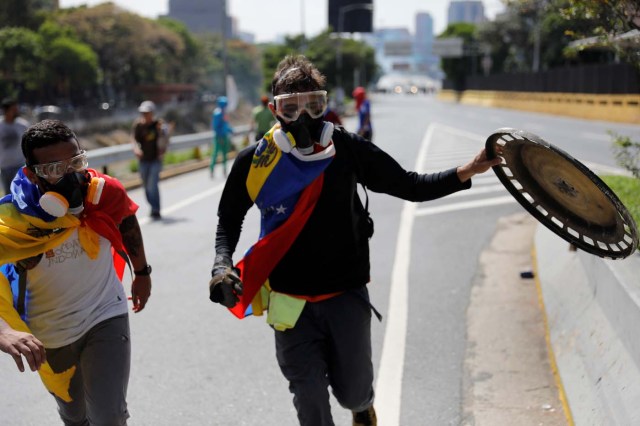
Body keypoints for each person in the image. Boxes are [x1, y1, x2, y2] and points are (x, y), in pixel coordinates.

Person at [207, 55, 501, 426]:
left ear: (324, 105)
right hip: (288, 302)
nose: (302, 118)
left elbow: (409, 185)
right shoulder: (256, 161)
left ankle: (362, 407)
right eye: (290, 107)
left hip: (345, 294)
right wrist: (222, 263)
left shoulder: (346, 149)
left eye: (312, 105)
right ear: (274, 111)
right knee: (309, 398)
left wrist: (468, 169)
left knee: (354, 391)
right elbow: (228, 218)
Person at [0, 119, 152, 425]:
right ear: (33, 174)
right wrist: (5, 331)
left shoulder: (103, 193)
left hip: (104, 314)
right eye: (56, 169)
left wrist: (142, 272)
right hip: (50, 335)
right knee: (75, 417)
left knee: (109, 416)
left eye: (76, 162)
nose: (72, 176)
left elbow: (126, 220)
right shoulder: (12, 223)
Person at [131, 100, 168, 220]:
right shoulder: (138, 126)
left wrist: (162, 147)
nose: (145, 115)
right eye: (143, 113)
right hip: (143, 160)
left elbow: (165, 138)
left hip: (155, 160)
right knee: (146, 185)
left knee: (153, 184)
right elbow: (134, 140)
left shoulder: (158, 125)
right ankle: (152, 206)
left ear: (152, 113)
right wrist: (136, 149)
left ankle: (156, 209)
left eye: (147, 113)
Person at [0, 98, 30, 195]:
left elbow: (29, 143)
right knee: (8, 194)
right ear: (6, 111)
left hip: (19, 165)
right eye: (13, 109)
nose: (16, 111)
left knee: (19, 193)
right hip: (4, 166)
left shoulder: (23, 125)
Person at [210, 96, 234, 178]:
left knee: (224, 154)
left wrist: (230, 130)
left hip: (225, 136)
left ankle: (224, 170)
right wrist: (220, 137)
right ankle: (212, 170)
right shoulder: (218, 113)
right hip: (219, 137)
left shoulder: (224, 113)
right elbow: (215, 126)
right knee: (215, 154)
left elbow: (225, 125)